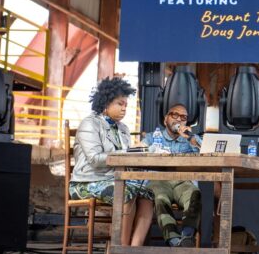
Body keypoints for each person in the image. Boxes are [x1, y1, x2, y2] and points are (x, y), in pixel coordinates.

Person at [69, 77, 154, 246]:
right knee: (126, 192)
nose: (124, 109)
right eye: (120, 104)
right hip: (87, 181)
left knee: (148, 194)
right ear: (106, 103)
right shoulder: (89, 124)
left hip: (114, 179)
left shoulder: (123, 128)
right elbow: (94, 159)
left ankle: (133, 249)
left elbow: (126, 158)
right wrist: (126, 153)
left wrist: (141, 154)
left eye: (126, 105)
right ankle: (120, 248)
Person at [142, 104, 203, 247]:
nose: (179, 120)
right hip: (159, 180)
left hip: (183, 181)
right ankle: (173, 240)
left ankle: (187, 236)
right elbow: (138, 152)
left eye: (183, 117)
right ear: (165, 120)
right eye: (174, 115)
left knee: (195, 194)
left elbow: (207, 153)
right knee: (160, 198)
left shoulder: (190, 139)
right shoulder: (152, 137)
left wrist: (190, 138)